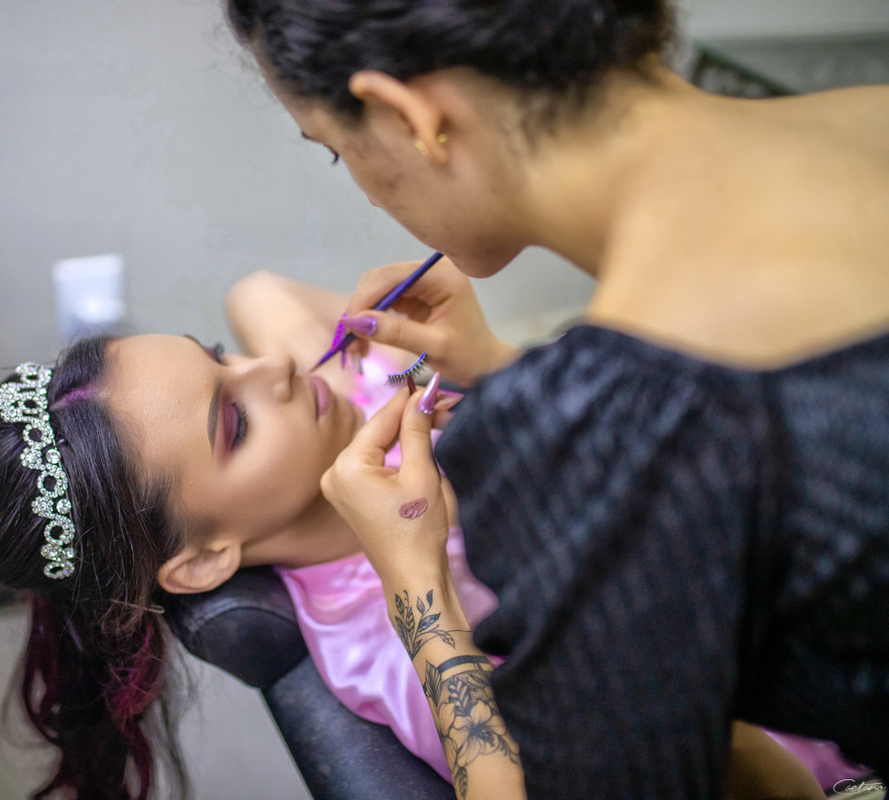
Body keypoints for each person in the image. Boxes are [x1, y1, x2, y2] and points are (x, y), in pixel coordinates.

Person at [222, 0, 889, 797]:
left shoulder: (602, 433)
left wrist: (419, 595)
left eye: (338, 151)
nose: (366, 191)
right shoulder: (868, 116)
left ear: (411, 116)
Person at [0, 269, 849, 800]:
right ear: (206, 559)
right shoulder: (384, 650)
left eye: (219, 353)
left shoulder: (354, 397)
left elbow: (258, 293)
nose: (276, 367)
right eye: (234, 422)